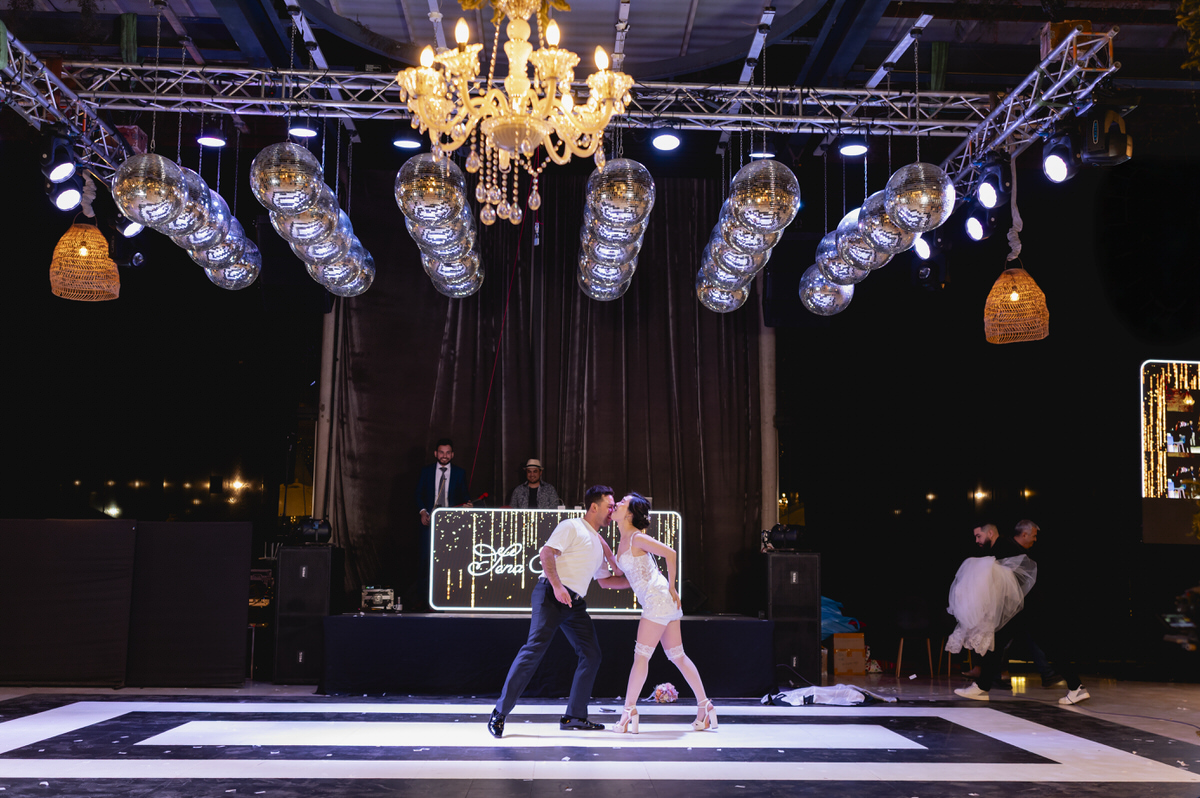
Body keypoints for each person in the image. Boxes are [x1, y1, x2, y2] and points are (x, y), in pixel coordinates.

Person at [488, 485, 627, 738]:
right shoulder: (571, 526)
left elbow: (606, 581)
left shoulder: (598, 542)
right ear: (593, 507)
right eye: (609, 506)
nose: (612, 511)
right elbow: (547, 553)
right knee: (533, 651)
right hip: (551, 595)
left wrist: (640, 581)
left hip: (575, 603)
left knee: (592, 655)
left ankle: (575, 716)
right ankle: (500, 712)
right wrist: (557, 585)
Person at [955, 520, 1091, 705]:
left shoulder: (1003, 547)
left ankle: (1076, 687)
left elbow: (1016, 576)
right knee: (997, 643)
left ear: (990, 534)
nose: (977, 540)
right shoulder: (1003, 547)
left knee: (1049, 646)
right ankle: (982, 686)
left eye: (979, 536)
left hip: (1029, 607)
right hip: (1020, 608)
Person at [611, 492, 715, 734]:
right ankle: (705, 705)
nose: (617, 503)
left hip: (658, 598)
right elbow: (624, 575)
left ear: (629, 514)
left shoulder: (637, 537)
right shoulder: (624, 539)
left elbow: (671, 553)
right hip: (658, 600)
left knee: (641, 657)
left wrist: (672, 587)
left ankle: (628, 712)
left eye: (623, 502)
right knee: (677, 656)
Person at [413, 439, 473, 609]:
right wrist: (422, 512)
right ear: (435, 453)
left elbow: (464, 496)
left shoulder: (460, 473)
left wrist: (467, 504)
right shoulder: (426, 471)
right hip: (429, 523)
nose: (444, 456)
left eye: (448, 453)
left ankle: (450, 598)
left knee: (451, 561)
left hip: (451, 525)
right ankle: (422, 600)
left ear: (452, 455)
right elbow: (418, 494)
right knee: (425, 560)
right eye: (441, 452)